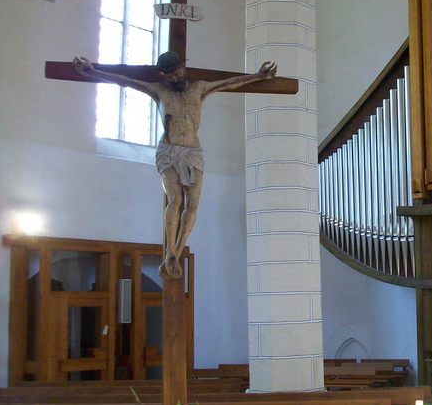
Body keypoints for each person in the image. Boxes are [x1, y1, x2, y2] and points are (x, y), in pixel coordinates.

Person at [72, 52, 278, 278]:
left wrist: (257, 76)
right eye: (169, 75)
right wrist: (94, 72)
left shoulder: (199, 88)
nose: (175, 77)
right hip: (168, 151)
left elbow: (229, 83)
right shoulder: (159, 90)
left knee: (193, 204)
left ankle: (174, 254)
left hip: (192, 152)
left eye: (177, 71)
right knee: (175, 199)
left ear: (183, 66)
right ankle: (170, 251)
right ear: (164, 75)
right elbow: (127, 81)